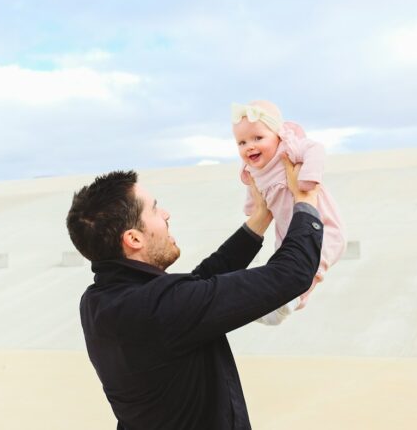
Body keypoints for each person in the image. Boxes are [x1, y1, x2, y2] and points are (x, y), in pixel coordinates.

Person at [66, 156, 323, 430]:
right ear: (134, 239)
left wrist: (259, 219)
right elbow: (290, 274)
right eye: (154, 210)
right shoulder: (161, 308)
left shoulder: (97, 301)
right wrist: (306, 200)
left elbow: (196, 287)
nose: (166, 214)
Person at [232, 100, 346, 325]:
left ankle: (291, 301)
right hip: (287, 231)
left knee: (311, 261)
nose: (249, 146)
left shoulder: (289, 149)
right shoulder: (253, 169)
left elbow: (316, 149)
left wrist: (308, 178)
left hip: (320, 223)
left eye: (258, 138)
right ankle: (273, 303)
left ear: (278, 134)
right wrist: (253, 209)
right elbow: (253, 192)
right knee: (282, 263)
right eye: (242, 142)